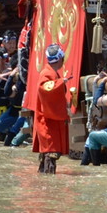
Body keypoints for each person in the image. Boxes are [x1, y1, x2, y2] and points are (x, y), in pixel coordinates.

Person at [33, 44, 71, 174]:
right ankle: (49, 185)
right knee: (50, 153)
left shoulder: (51, 72)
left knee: (49, 155)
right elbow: (44, 88)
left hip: (50, 118)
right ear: (61, 59)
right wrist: (61, 82)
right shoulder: (47, 73)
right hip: (47, 120)